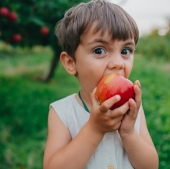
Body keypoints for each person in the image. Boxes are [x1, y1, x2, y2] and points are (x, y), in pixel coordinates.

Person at [43, 0, 159, 168]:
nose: (118, 63)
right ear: (71, 62)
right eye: (99, 50)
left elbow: (150, 166)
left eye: (125, 51)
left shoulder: (133, 109)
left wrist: (128, 133)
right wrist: (94, 129)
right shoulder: (62, 113)